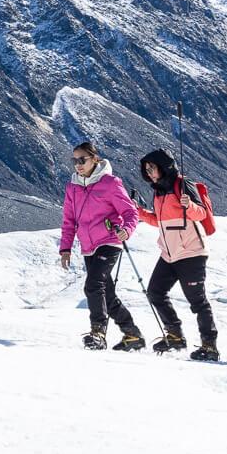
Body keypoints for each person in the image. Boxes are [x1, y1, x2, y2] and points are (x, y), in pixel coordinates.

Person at [136, 149, 219, 361]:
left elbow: (200, 213)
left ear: (163, 166)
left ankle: (209, 346)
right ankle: (175, 336)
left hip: (191, 252)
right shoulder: (158, 191)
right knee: (155, 292)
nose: (149, 173)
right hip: (169, 253)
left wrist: (189, 205)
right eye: (147, 170)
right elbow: (160, 221)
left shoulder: (182, 184)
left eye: (152, 168)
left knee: (197, 301)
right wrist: (140, 212)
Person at [59, 143, 142, 351]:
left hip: (109, 241)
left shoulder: (110, 183)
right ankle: (133, 335)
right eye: (74, 160)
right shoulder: (73, 187)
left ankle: (98, 334)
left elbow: (131, 213)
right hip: (88, 245)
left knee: (93, 285)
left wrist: (127, 230)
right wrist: (65, 248)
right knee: (107, 295)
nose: (78, 165)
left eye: (82, 160)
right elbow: (69, 220)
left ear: (94, 159)